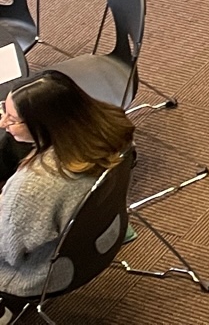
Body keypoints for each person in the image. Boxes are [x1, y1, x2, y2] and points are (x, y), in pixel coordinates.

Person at [0, 71, 134, 304]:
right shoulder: (111, 127)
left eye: (12, 119)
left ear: (44, 125)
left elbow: (9, 252)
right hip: (106, 233)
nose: (3, 123)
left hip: (41, 273)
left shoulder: (33, 186)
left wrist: (7, 205)